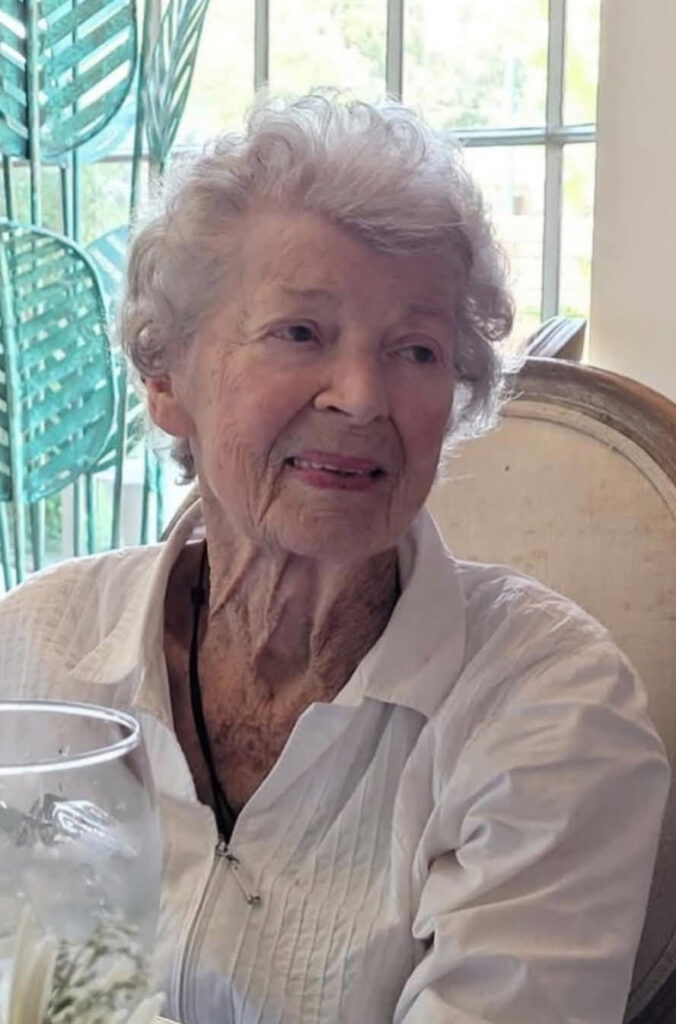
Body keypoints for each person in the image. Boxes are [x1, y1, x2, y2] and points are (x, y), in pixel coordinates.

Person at [0, 95, 669, 1024]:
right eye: (300, 333)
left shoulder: (546, 704)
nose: (360, 396)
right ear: (165, 379)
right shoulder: (33, 647)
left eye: (416, 350)